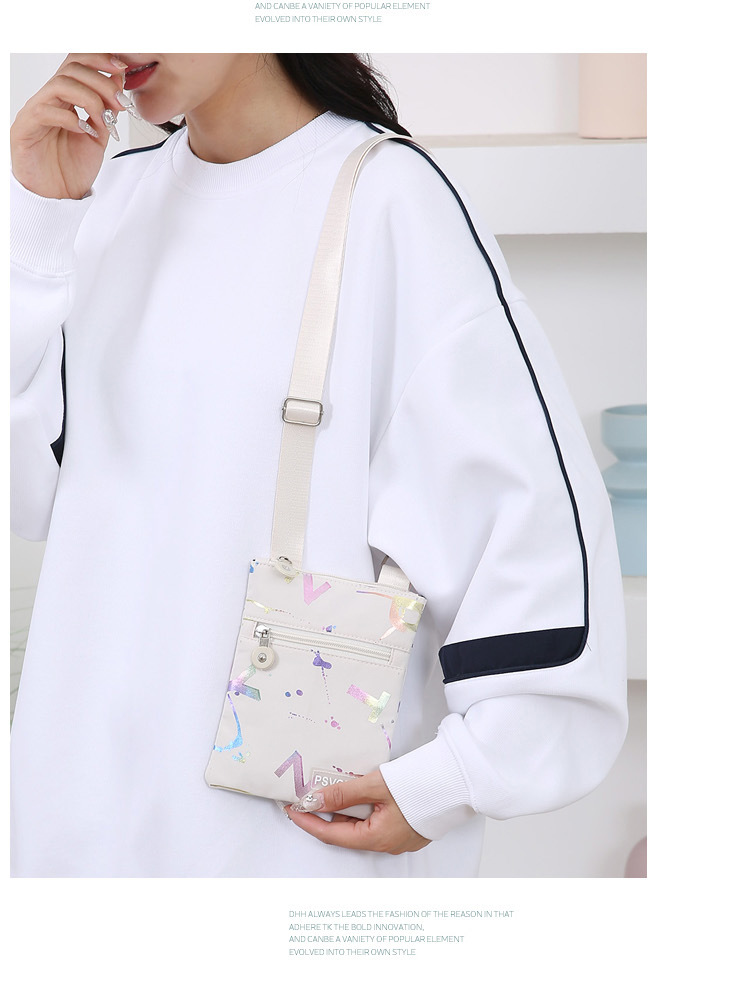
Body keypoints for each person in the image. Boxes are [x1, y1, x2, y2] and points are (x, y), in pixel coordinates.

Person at [10, 53, 628, 878]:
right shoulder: (108, 197)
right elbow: (26, 495)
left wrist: (455, 780)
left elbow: (528, 520)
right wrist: (38, 224)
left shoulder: (388, 197)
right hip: (73, 826)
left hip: (287, 846)